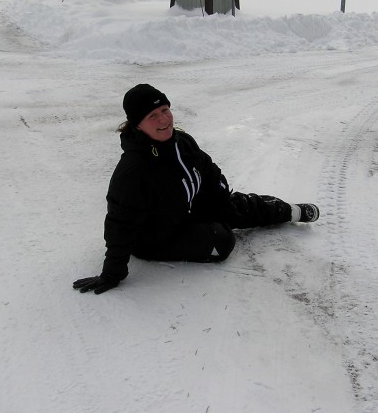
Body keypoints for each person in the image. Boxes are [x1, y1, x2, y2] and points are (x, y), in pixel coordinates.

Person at [73, 84, 319, 295]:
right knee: (221, 241)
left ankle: (291, 211)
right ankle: (215, 224)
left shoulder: (180, 141)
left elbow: (207, 167)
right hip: (156, 237)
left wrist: (221, 195)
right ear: (137, 125)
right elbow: (119, 223)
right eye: (153, 116)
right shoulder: (133, 170)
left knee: (238, 206)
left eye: (165, 110)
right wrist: (112, 273)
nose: (164, 120)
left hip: (185, 209)